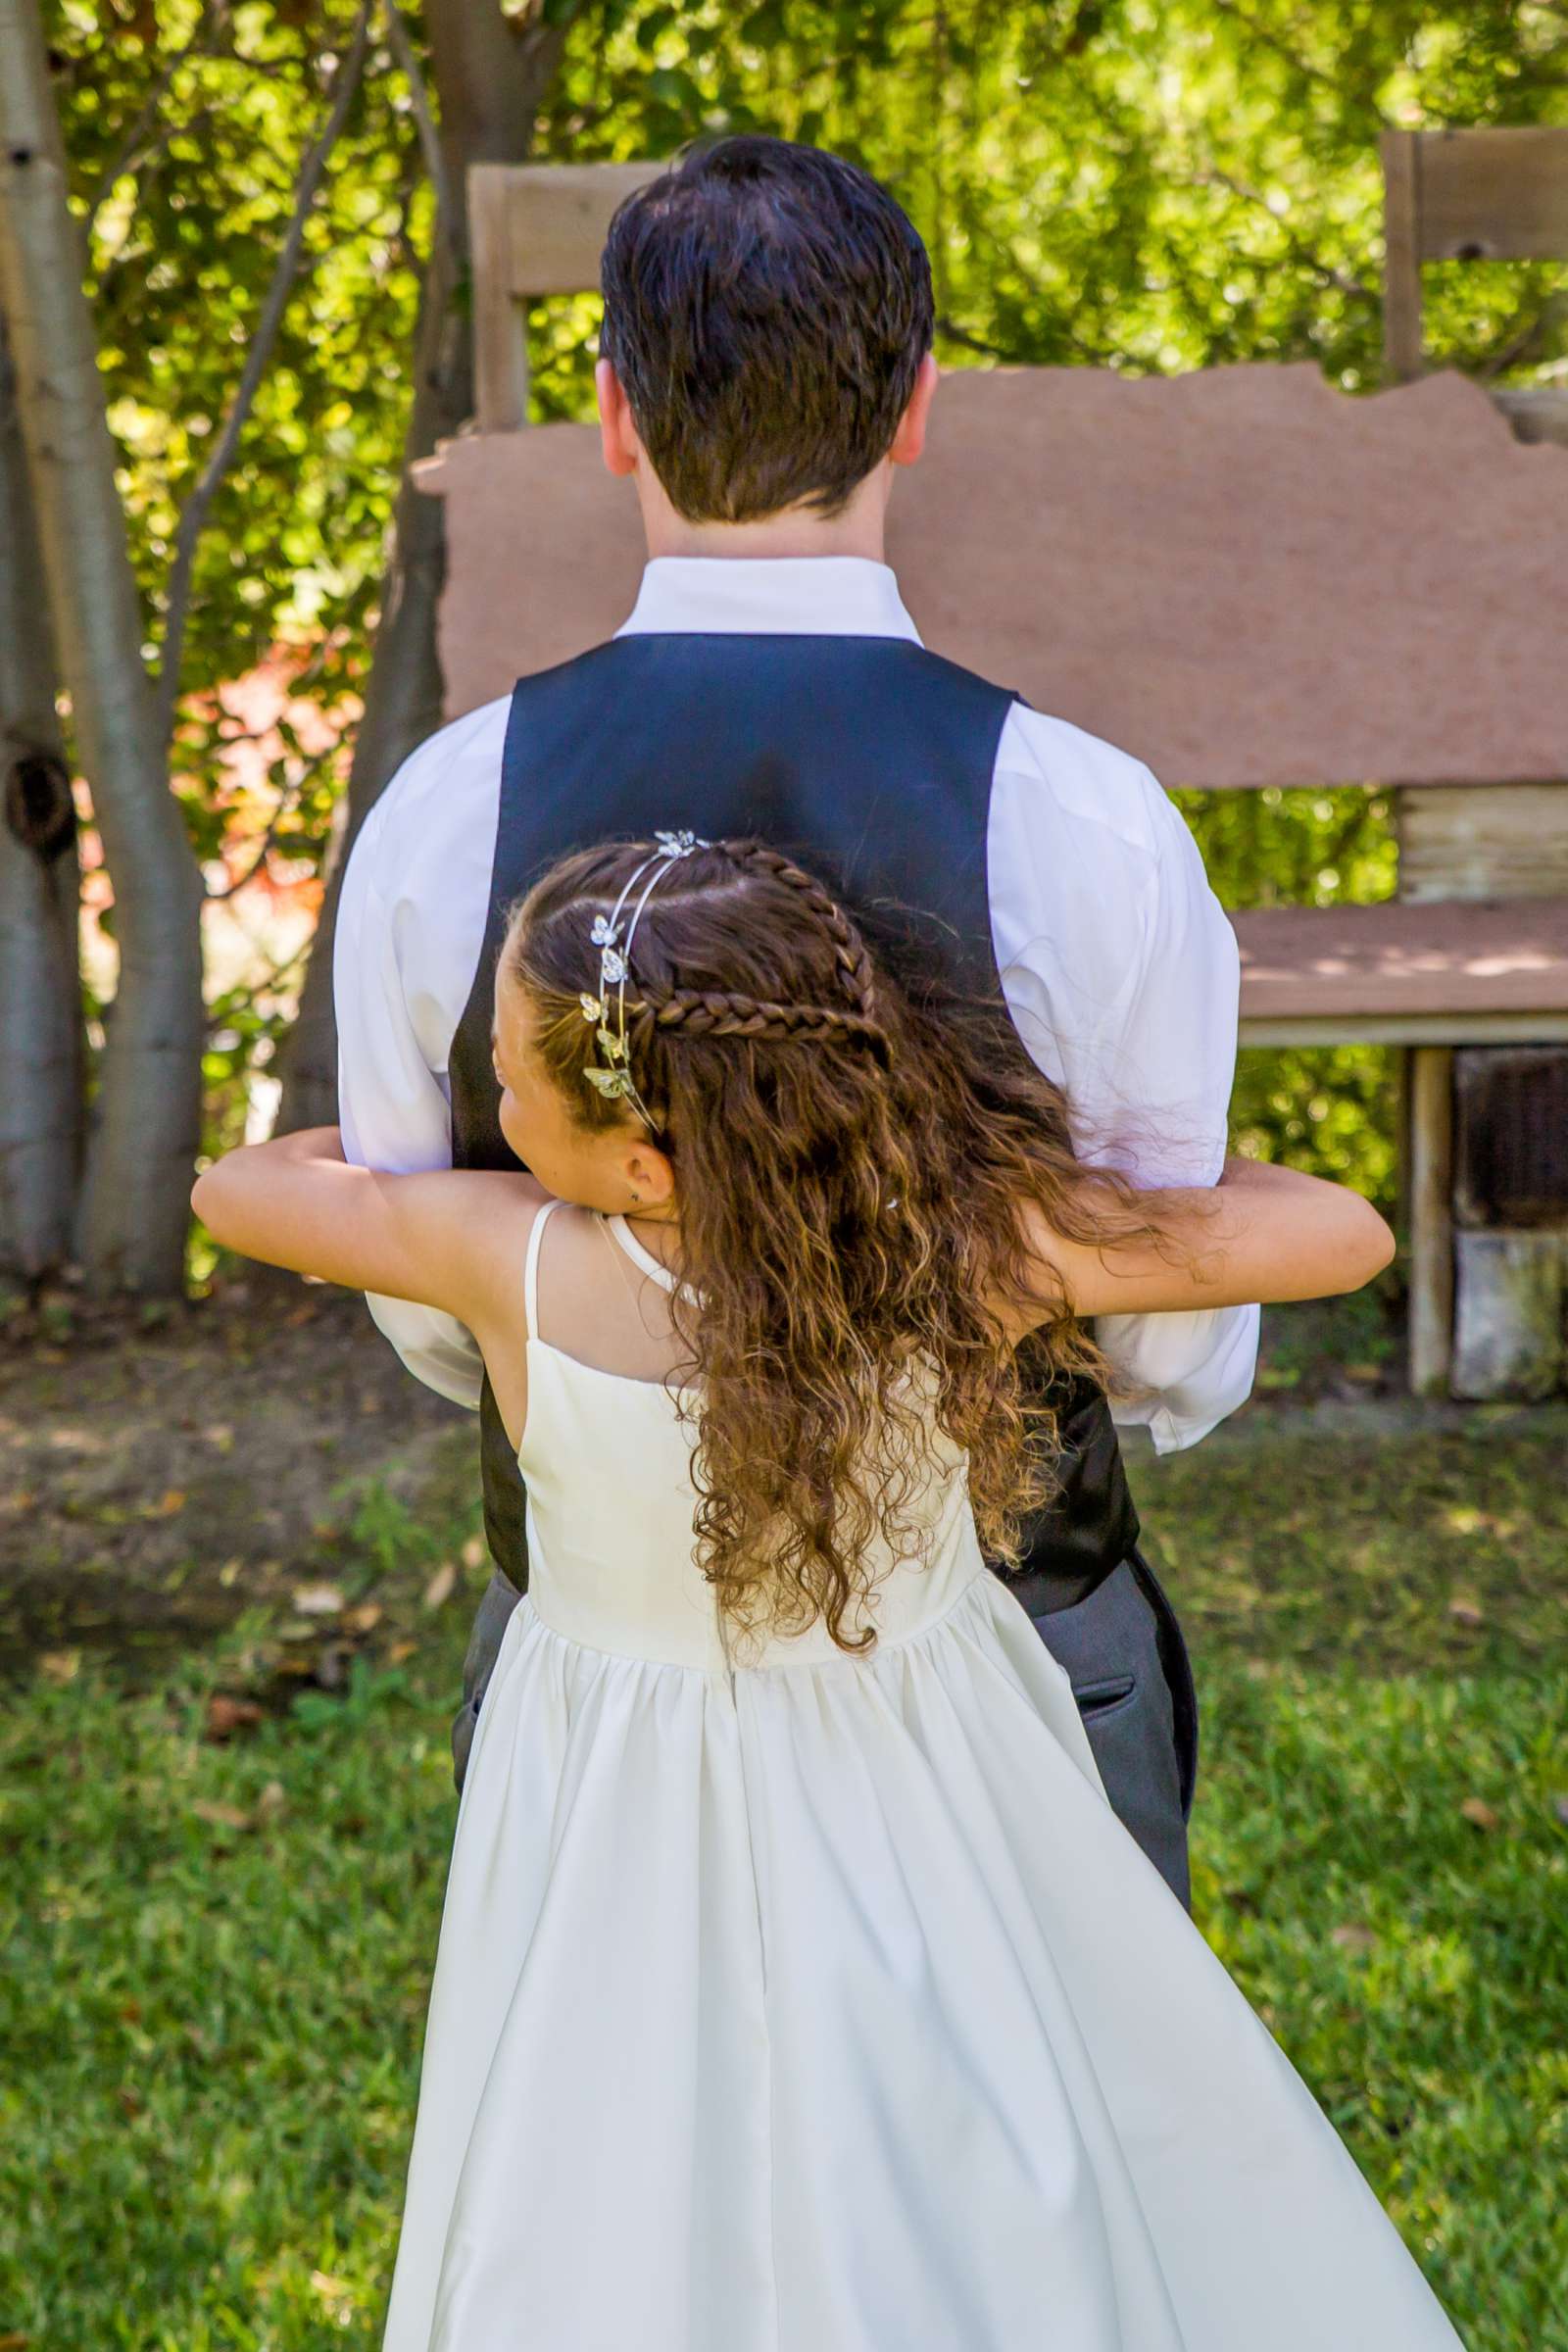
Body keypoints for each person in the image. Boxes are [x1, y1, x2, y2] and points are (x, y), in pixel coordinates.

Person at [195, 834, 1461, 2352]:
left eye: (511, 1081)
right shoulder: (971, 1244)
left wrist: (449, 1159)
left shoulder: (500, 1254)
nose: (494, 1108)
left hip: (615, 1794)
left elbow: (243, 1187)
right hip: (922, 1764)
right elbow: (1344, 1233)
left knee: (619, 2161)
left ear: (643, 1161)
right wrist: (1054, 1174)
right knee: (952, 2125)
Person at [334, 132, 1258, 1909]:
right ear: (913, 405)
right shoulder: (1086, 818)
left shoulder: (450, 812)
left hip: (599, 1672)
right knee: (1052, 2175)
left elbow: (433, 1304)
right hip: (1016, 1645)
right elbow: (1169, 1339)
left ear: (615, 416)